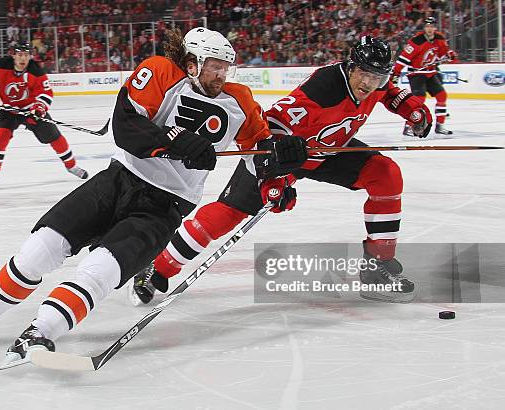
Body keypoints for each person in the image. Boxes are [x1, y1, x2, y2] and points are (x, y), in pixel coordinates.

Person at [0, 28, 303, 367]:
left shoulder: (239, 99)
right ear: (192, 63)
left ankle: (40, 332)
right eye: (213, 67)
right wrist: (173, 141)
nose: (221, 75)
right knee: (40, 247)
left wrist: (281, 162)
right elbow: (126, 125)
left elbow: (260, 147)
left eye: (226, 67)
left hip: (165, 206)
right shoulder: (161, 72)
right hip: (119, 181)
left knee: (100, 270)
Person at [131, 36, 434, 305]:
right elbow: (272, 126)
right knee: (228, 213)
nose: (369, 84)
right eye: (364, 74)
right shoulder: (325, 89)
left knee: (385, 174)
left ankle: (377, 267)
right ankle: (158, 266)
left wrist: (414, 111)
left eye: (377, 77)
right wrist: (272, 178)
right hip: (286, 154)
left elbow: (392, 93)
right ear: (351, 66)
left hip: (328, 151)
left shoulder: (376, 84)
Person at [0, 43, 88, 186]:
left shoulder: (36, 71)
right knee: (0, 137)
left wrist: (39, 108)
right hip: (9, 110)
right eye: (20, 55)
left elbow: (46, 93)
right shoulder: (0, 64)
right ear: (13, 55)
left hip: (31, 110)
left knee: (55, 138)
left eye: (26, 55)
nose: (23, 59)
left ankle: (71, 166)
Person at [391, 16, 457, 137]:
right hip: (416, 74)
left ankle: (440, 126)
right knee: (419, 100)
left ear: (435, 27)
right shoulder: (417, 41)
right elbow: (403, 59)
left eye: (431, 26)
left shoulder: (440, 38)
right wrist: (396, 73)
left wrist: (450, 55)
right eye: (427, 26)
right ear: (424, 28)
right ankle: (408, 126)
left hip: (430, 72)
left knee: (442, 96)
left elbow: (444, 53)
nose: (429, 29)